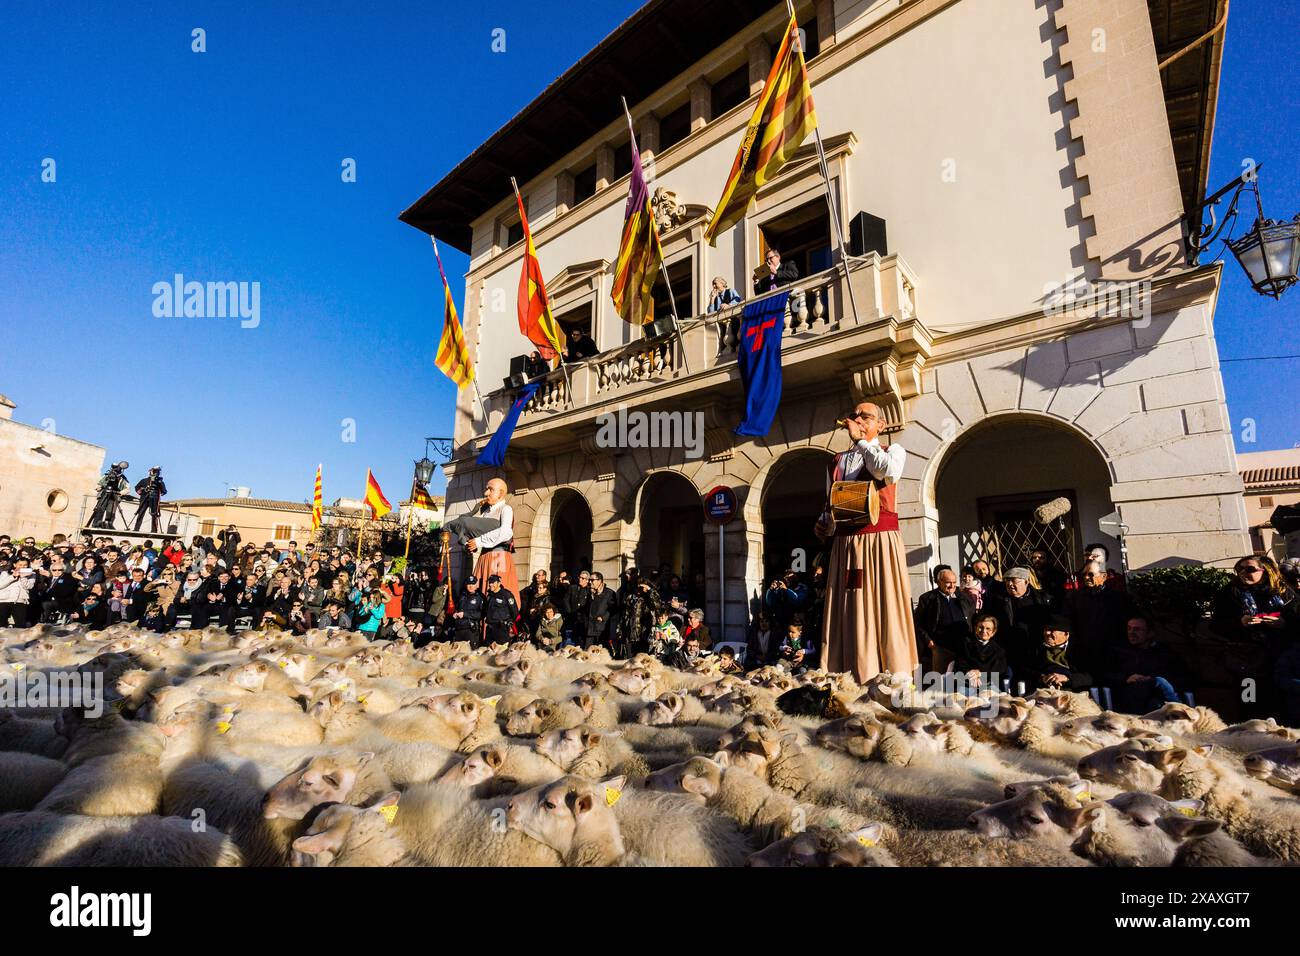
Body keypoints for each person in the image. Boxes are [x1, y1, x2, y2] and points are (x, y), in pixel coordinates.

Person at [816, 402, 920, 683]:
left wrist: (861, 441)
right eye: (855, 415)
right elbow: (831, 506)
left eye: (866, 416)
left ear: (881, 425)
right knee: (848, 605)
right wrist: (824, 525)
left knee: (884, 602)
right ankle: (847, 669)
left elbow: (885, 473)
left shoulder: (892, 451)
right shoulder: (835, 461)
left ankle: (891, 673)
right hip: (845, 545)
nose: (859, 419)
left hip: (879, 542)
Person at [443, 477, 520, 606]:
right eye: (486, 489)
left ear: (501, 493)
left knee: (497, 595)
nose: (486, 493)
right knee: (481, 593)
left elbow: (506, 532)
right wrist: (471, 544)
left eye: (490, 489)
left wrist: (479, 541)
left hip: (498, 557)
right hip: (484, 556)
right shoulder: (485, 513)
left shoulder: (506, 509)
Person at [1102, 614, 1187, 714]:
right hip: (1129, 696)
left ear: (1150, 633)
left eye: (1137, 629)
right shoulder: (1118, 651)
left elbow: (1181, 676)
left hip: (1156, 697)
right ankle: (1184, 714)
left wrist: (1151, 679)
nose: (1131, 632)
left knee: (1156, 703)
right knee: (1160, 683)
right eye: (1129, 629)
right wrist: (1126, 678)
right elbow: (1104, 676)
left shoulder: (1164, 652)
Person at [985, 566, 1052, 684]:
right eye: (1007, 581)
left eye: (1014, 581)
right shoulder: (998, 600)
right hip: (1008, 651)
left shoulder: (1042, 599)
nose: (1010, 584)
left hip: (1034, 650)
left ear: (1026, 582)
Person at [913, 566, 976, 674]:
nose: (952, 586)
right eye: (948, 582)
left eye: (954, 582)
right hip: (940, 647)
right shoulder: (927, 598)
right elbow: (918, 623)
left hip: (963, 646)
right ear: (939, 582)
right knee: (941, 681)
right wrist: (928, 640)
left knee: (962, 680)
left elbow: (973, 617)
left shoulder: (965, 597)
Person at [1030, 614, 1094, 693]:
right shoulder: (1036, 649)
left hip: (1071, 693)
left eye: (1052, 630)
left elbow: (1090, 677)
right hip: (1043, 692)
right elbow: (1025, 671)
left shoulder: (1079, 651)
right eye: (1045, 629)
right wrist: (1042, 677)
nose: (1047, 633)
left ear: (1066, 634)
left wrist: (1067, 678)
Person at [953, 612, 1008, 692]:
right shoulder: (965, 644)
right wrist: (970, 672)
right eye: (981, 627)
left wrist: (981, 673)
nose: (983, 631)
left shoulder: (998, 650)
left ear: (993, 632)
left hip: (989, 686)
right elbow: (960, 664)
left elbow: (1000, 668)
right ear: (975, 628)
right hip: (966, 684)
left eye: (988, 628)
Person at [484, 574, 519, 645]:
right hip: (490, 628)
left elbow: (515, 611)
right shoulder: (489, 595)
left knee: (501, 651)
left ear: (499, 583)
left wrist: (509, 622)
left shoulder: (506, 595)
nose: (490, 584)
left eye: (493, 583)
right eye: (489, 582)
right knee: (488, 651)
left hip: (501, 628)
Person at [585, 572, 617, 650]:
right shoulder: (589, 592)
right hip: (589, 627)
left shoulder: (609, 593)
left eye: (592, 580)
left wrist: (603, 617)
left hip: (601, 628)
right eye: (589, 580)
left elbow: (614, 609)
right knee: (587, 651)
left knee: (602, 652)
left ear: (599, 581)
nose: (590, 582)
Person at [451, 575, 485, 646]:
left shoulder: (480, 597)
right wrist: (455, 613)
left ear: (476, 585)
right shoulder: (462, 596)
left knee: (470, 653)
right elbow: (456, 608)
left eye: (473, 584)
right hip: (459, 628)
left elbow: (482, 614)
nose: (471, 586)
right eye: (469, 584)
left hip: (470, 630)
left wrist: (465, 614)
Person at [132, 466, 168, 534]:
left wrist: (159, 484)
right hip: (144, 498)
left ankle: (154, 530)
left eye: (157, 471)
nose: (156, 473)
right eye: (154, 471)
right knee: (141, 513)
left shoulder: (159, 481)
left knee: (154, 514)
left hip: (155, 499)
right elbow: (137, 487)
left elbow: (164, 491)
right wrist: (142, 490)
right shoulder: (144, 480)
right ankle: (136, 529)